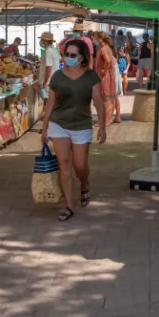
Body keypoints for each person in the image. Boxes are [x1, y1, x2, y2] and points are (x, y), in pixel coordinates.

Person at [39, 38, 107, 222]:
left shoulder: (91, 77)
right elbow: (50, 103)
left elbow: (98, 102)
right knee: (64, 165)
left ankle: (84, 184)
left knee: (80, 166)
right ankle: (69, 205)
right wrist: (44, 129)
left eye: (73, 55)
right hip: (58, 124)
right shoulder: (57, 76)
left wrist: (102, 126)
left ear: (82, 57)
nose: (68, 57)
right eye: (66, 54)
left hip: (81, 125)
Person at [94, 32, 119, 125]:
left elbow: (108, 61)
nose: (94, 40)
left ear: (100, 39)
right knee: (109, 99)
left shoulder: (103, 49)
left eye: (96, 38)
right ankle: (107, 120)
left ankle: (106, 121)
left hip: (104, 76)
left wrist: (104, 70)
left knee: (106, 99)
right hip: (108, 75)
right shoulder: (107, 48)